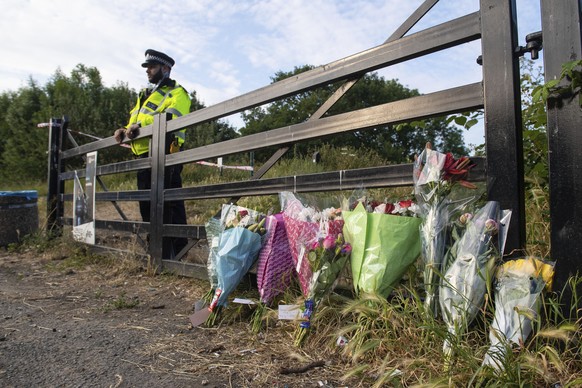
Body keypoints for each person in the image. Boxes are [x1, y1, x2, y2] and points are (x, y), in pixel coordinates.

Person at [114, 49, 191, 260]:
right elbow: (135, 123)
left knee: (170, 204)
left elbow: (171, 117)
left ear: (165, 69)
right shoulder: (145, 95)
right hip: (144, 154)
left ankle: (177, 253)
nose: (148, 71)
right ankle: (156, 250)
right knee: (147, 205)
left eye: (152, 67)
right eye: (147, 67)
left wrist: (140, 125)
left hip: (167, 152)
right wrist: (124, 130)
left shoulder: (177, 92)